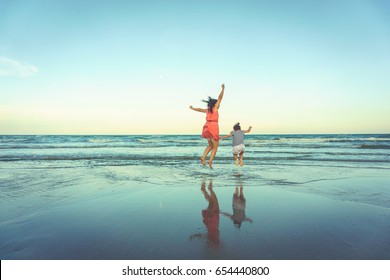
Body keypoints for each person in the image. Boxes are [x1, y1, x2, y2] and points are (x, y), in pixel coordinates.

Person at [189, 84, 225, 168]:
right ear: (215, 104)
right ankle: (210, 161)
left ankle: (203, 157)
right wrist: (223, 89)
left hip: (206, 126)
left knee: (210, 145)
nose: (219, 105)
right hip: (213, 126)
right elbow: (220, 98)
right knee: (215, 147)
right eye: (218, 104)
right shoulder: (215, 108)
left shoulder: (207, 110)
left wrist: (192, 108)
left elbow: (199, 109)